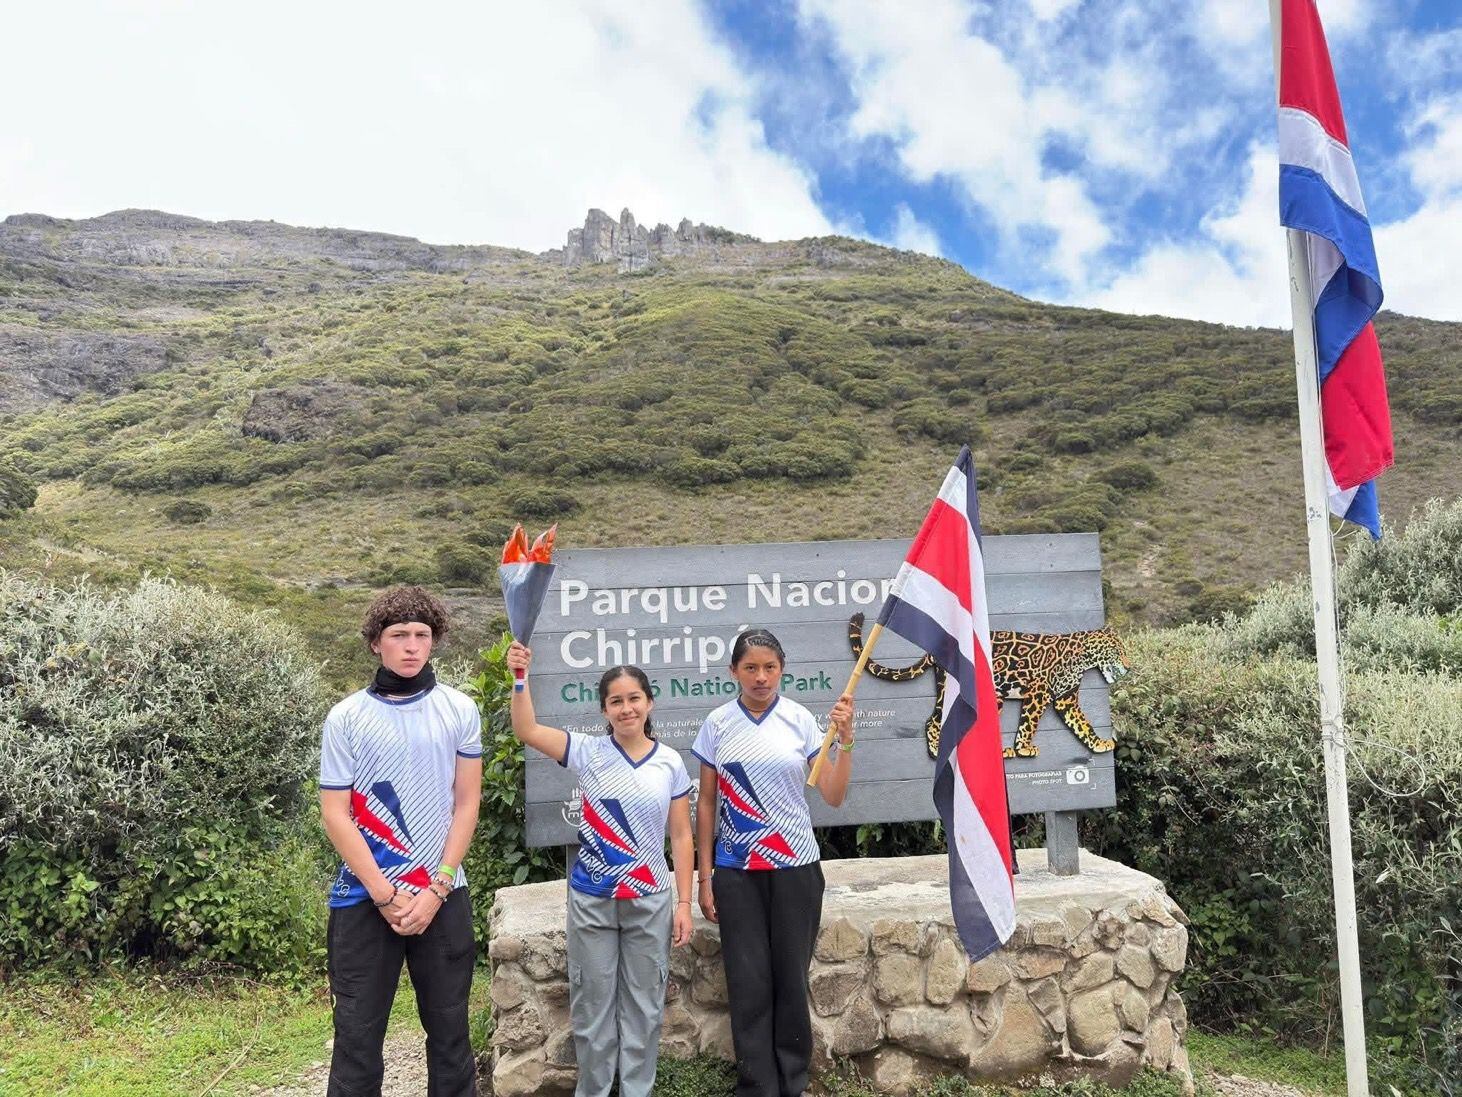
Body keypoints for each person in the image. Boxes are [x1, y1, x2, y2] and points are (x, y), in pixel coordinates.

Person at [506, 641, 694, 1097]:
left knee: (644, 1011)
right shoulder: (587, 752)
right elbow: (527, 728)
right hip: (592, 900)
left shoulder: (670, 762)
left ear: (649, 702)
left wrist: (684, 902)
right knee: (591, 1012)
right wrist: (519, 677)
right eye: (616, 701)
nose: (626, 708)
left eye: (634, 699)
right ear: (605, 709)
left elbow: (682, 837)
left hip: (650, 901)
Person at [317, 585, 483, 1097]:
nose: (412, 645)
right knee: (358, 1038)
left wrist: (437, 888)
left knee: (452, 1034)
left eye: (422, 635)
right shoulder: (346, 717)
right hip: (364, 899)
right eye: (399, 635)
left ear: (434, 641)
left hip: (443, 894)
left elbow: (466, 804)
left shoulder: (459, 709)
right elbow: (335, 813)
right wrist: (385, 894)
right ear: (375, 643)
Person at [692, 628, 855, 1097]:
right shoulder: (718, 724)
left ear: (782, 669)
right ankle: (757, 1085)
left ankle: (793, 1082)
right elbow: (706, 803)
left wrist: (844, 741)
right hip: (737, 872)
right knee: (748, 982)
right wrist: (707, 876)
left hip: (796, 870)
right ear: (733, 673)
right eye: (750, 668)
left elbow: (834, 795)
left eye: (769, 668)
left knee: (790, 976)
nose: (760, 677)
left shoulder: (801, 720)